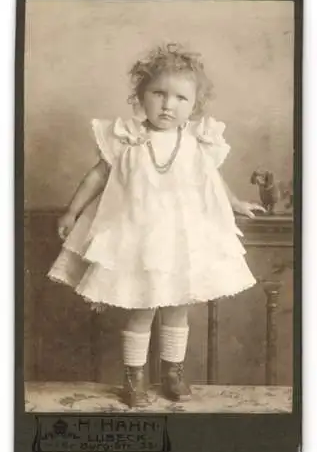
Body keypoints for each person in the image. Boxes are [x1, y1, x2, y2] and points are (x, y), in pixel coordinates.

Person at [48, 42, 265, 408]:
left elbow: (212, 180)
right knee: (141, 308)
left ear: (195, 105)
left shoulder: (197, 141)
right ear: (139, 97)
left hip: (180, 238)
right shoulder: (126, 137)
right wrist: (71, 212)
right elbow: (96, 178)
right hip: (138, 238)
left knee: (178, 307)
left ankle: (172, 374)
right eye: (158, 94)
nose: (168, 105)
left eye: (181, 98)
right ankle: (134, 380)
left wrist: (236, 202)